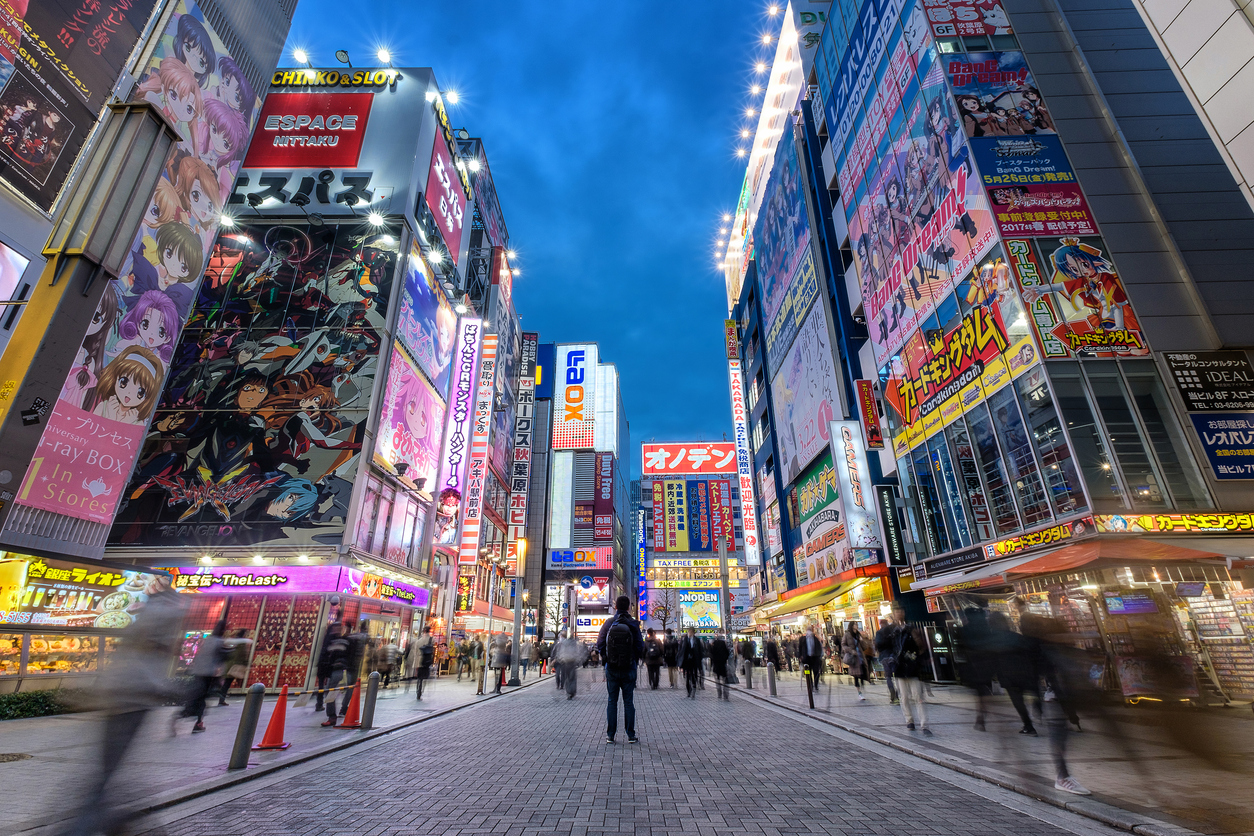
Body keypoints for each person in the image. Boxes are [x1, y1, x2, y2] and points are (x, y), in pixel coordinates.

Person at [61, 577, 187, 836]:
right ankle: (102, 823)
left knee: (105, 774)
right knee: (105, 775)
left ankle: (99, 824)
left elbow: (135, 655)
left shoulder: (152, 616)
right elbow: (149, 658)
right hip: (132, 699)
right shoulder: (165, 615)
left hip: (124, 697)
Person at [595, 596, 645, 743]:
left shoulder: (609, 623)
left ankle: (610, 734)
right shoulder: (633, 624)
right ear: (629, 607)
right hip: (629, 667)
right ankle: (630, 734)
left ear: (615, 606)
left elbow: (600, 643)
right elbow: (640, 646)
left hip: (612, 667)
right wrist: (634, 659)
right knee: (628, 701)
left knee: (612, 701)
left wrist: (606, 658)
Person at [177, 620, 227, 733]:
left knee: (197, 695)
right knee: (203, 698)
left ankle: (183, 714)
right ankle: (198, 722)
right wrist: (220, 676)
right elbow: (220, 659)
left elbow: (200, 654)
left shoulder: (207, 640)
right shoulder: (220, 642)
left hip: (198, 671)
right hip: (208, 674)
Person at [892, 605, 931, 735]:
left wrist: (915, 658)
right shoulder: (892, 631)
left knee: (918, 697)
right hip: (899, 668)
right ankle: (909, 721)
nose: (899, 613)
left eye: (901, 611)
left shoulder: (911, 628)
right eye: (897, 611)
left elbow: (921, 645)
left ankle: (924, 724)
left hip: (913, 668)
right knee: (904, 697)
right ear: (893, 613)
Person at [320, 623, 352, 727]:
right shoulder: (335, 640)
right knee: (329, 692)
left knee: (330, 693)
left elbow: (338, 655)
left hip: (337, 670)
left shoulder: (341, 641)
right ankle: (332, 716)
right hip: (332, 670)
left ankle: (332, 716)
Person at [218, 628, 252, 704]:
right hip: (234, 666)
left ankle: (221, 698)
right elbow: (242, 655)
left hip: (228, 665)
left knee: (226, 682)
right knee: (227, 683)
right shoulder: (242, 644)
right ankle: (221, 698)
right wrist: (246, 664)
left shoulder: (232, 642)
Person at [874, 620, 900, 705]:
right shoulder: (892, 631)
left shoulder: (879, 633)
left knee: (888, 677)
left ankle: (892, 693)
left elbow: (877, 644)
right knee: (897, 676)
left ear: (881, 624)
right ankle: (897, 694)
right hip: (893, 656)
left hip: (884, 657)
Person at [842, 622, 869, 701]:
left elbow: (865, 647)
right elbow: (843, 644)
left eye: (857, 624)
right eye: (855, 624)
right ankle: (859, 692)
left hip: (860, 656)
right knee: (856, 675)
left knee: (862, 672)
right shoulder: (847, 634)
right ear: (851, 626)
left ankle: (861, 687)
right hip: (853, 658)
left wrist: (862, 640)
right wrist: (850, 650)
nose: (856, 626)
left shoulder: (858, 634)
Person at [553, 629, 582, 699]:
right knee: (572, 677)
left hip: (565, 661)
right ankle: (572, 691)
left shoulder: (564, 643)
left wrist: (559, 658)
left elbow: (560, 652)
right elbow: (577, 652)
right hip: (572, 661)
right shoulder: (574, 643)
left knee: (567, 677)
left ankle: (569, 692)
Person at [677, 627, 705, 698]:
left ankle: (694, 687)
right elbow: (680, 651)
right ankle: (689, 691)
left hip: (694, 661)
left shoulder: (697, 640)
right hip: (686, 661)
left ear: (693, 632)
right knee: (687, 677)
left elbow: (700, 651)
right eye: (689, 631)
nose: (689, 632)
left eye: (691, 631)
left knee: (694, 675)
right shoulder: (684, 640)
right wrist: (679, 661)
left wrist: (700, 661)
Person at [797, 625, 824, 693]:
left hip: (815, 658)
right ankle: (810, 685)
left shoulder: (816, 639)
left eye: (810, 630)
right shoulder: (802, 639)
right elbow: (800, 649)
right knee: (807, 673)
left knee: (816, 672)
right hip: (806, 659)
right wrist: (800, 657)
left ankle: (816, 685)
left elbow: (819, 648)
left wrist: (820, 656)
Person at [414, 626, 435, 700]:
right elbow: (433, 650)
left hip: (419, 660)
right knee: (425, 677)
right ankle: (421, 691)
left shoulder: (418, 641)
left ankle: (418, 691)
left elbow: (415, 652)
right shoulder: (431, 639)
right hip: (427, 660)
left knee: (419, 677)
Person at [709, 632, 731, 700]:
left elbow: (711, 655)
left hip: (716, 665)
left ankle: (719, 692)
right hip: (723, 664)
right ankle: (725, 693)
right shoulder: (723, 646)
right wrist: (724, 659)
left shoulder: (714, 647)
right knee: (724, 679)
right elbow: (727, 653)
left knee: (717, 679)